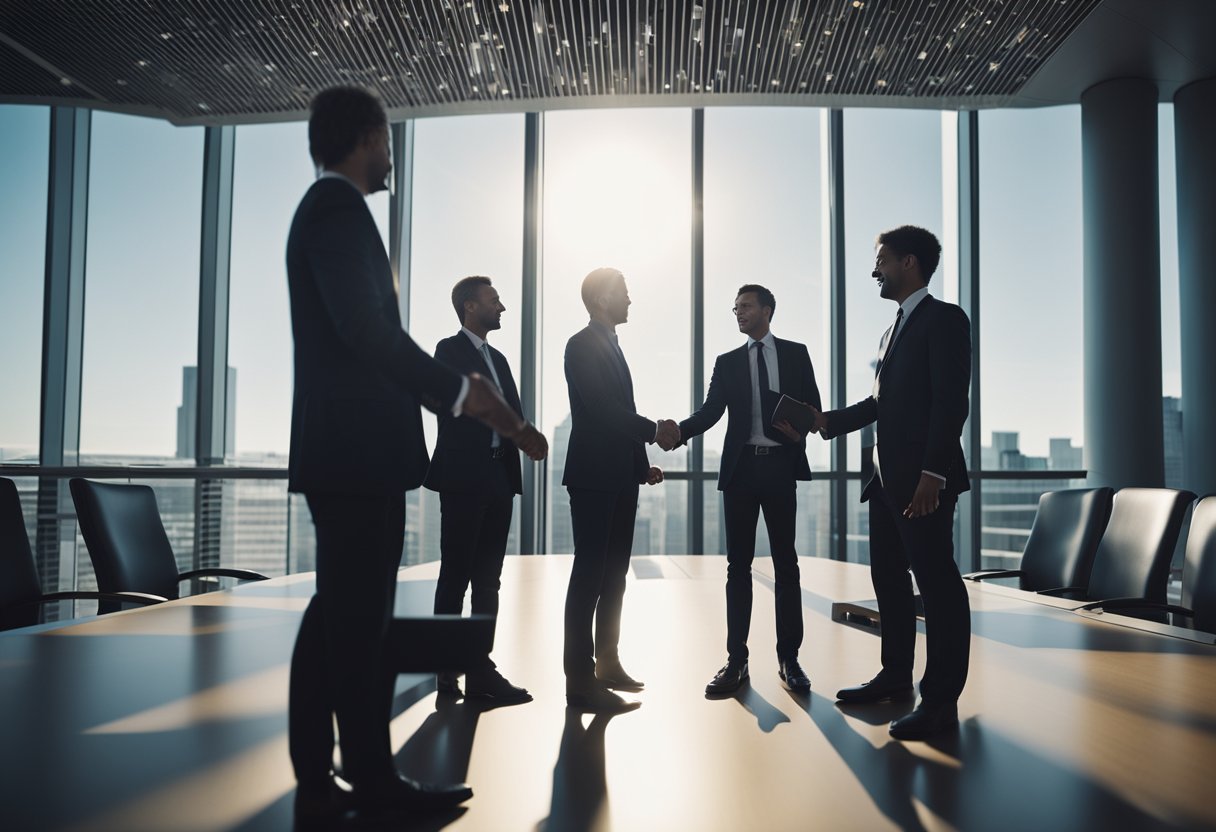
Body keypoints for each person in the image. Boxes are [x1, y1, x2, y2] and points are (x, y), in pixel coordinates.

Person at [284, 86, 547, 824]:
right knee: (357, 622)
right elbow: (368, 332)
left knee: (338, 612)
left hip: (349, 453)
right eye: (389, 139)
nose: (392, 154)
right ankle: (372, 782)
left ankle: (315, 771)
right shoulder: (337, 209)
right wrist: (467, 395)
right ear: (367, 135)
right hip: (357, 456)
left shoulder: (327, 210)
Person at [811, 225, 972, 741]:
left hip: (923, 481)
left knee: (938, 586)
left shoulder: (944, 319)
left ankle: (941, 702)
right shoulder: (892, 331)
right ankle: (895, 675)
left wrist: (934, 473)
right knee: (889, 582)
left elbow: (952, 403)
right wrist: (825, 421)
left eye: (881, 260)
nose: (874, 270)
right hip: (884, 480)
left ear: (909, 262)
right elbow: (883, 404)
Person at [674, 285, 821, 696]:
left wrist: (802, 427)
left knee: (785, 564)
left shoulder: (796, 353)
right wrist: (677, 433)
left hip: (779, 466)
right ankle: (736, 660)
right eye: (735, 308)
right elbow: (710, 412)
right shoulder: (727, 362)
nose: (738, 313)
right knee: (737, 567)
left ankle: (789, 660)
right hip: (741, 472)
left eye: (745, 307)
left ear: (767, 310)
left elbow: (813, 408)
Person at [561, 267, 675, 713]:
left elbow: (617, 412)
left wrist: (639, 466)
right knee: (588, 576)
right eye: (624, 292)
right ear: (603, 299)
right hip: (592, 477)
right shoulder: (581, 344)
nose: (630, 300)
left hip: (620, 477)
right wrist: (653, 430)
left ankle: (607, 664)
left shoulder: (610, 344)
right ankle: (579, 680)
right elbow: (602, 409)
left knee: (613, 578)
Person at [425, 276, 531, 705]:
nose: (502, 307)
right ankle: (447, 669)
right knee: (455, 577)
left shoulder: (500, 360)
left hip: (497, 478)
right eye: (494, 300)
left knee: (489, 582)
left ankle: (480, 670)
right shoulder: (448, 351)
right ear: (470, 307)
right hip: (463, 480)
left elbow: (515, 416)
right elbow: (449, 404)